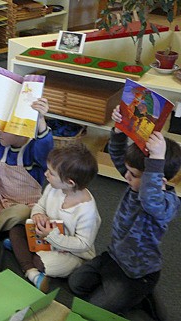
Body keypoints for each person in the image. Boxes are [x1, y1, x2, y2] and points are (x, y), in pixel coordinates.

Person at [68, 105, 181, 317]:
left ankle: (143, 294)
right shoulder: (135, 182)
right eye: (127, 172)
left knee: (96, 308)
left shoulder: (165, 202)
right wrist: (119, 131)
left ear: (159, 181)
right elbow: (119, 157)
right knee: (76, 284)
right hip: (114, 257)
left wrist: (156, 161)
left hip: (138, 272)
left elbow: (150, 199)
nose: (126, 177)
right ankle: (125, 292)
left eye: (133, 174)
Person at [0, 79, 54, 257]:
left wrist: (41, 119)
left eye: (3, 129)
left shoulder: (33, 149)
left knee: (23, 212)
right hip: (0, 198)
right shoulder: (0, 144)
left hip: (24, 205)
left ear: (21, 128)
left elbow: (46, 147)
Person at [8, 143, 100, 292]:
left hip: (72, 253)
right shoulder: (53, 187)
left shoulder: (87, 211)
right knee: (16, 230)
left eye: (51, 173)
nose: (45, 174)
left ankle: (30, 269)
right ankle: (31, 267)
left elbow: (83, 244)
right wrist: (38, 215)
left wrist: (52, 236)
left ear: (70, 182)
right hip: (45, 239)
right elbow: (40, 206)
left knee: (41, 263)